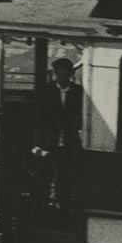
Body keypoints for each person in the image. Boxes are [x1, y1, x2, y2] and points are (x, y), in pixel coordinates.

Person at [32, 57, 84, 212]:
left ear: (70, 75)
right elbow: (38, 119)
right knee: (44, 176)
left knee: (65, 177)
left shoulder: (78, 92)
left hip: (69, 143)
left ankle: (63, 209)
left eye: (64, 75)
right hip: (48, 143)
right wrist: (37, 144)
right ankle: (42, 209)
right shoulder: (46, 91)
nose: (61, 78)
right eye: (58, 75)